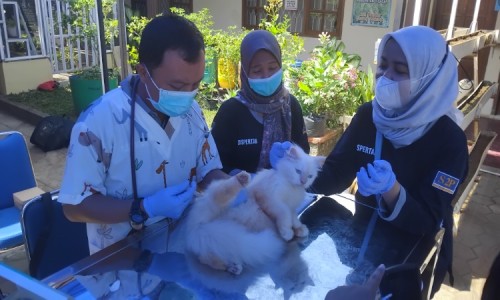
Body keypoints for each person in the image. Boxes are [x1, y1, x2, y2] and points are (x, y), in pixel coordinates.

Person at [271, 25, 468, 296]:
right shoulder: (369, 117)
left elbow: (429, 222)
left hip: (412, 262)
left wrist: (391, 191)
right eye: (383, 65)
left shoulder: (449, 142)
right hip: (362, 244)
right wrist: (293, 169)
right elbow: (335, 175)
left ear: (429, 77)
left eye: (401, 70)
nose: (386, 77)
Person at [58, 13, 226, 255]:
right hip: (122, 265)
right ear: (143, 72)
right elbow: (74, 206)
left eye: (196, 85)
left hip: (186, 253)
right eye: (177, 87)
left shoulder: (193, 112)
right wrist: (144, 208)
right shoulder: (97, 122)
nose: (188, 95)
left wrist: (235, 189)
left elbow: (208, 170)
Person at [211, 29, 309, 175]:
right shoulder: (231, 111)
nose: (266, 76)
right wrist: (241, 179)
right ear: (244, 72)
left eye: (272, 68)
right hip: (241, 194)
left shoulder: (290, 106)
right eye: (257, 70)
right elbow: (214, 164)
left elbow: (304, 153)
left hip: (284, 194)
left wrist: (295, 158)